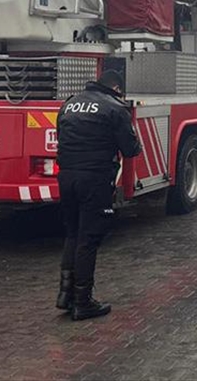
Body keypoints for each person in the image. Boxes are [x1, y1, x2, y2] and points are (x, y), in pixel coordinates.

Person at [54, 69, 141, 320]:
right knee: (89, 239)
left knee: (72, 233)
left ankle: (65, 294)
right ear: (116, 89)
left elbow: (61, 137)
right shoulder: (115, 108)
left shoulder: (69, 104)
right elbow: (130, 149)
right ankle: (83, 302)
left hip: (67, 177)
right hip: (94, 179)